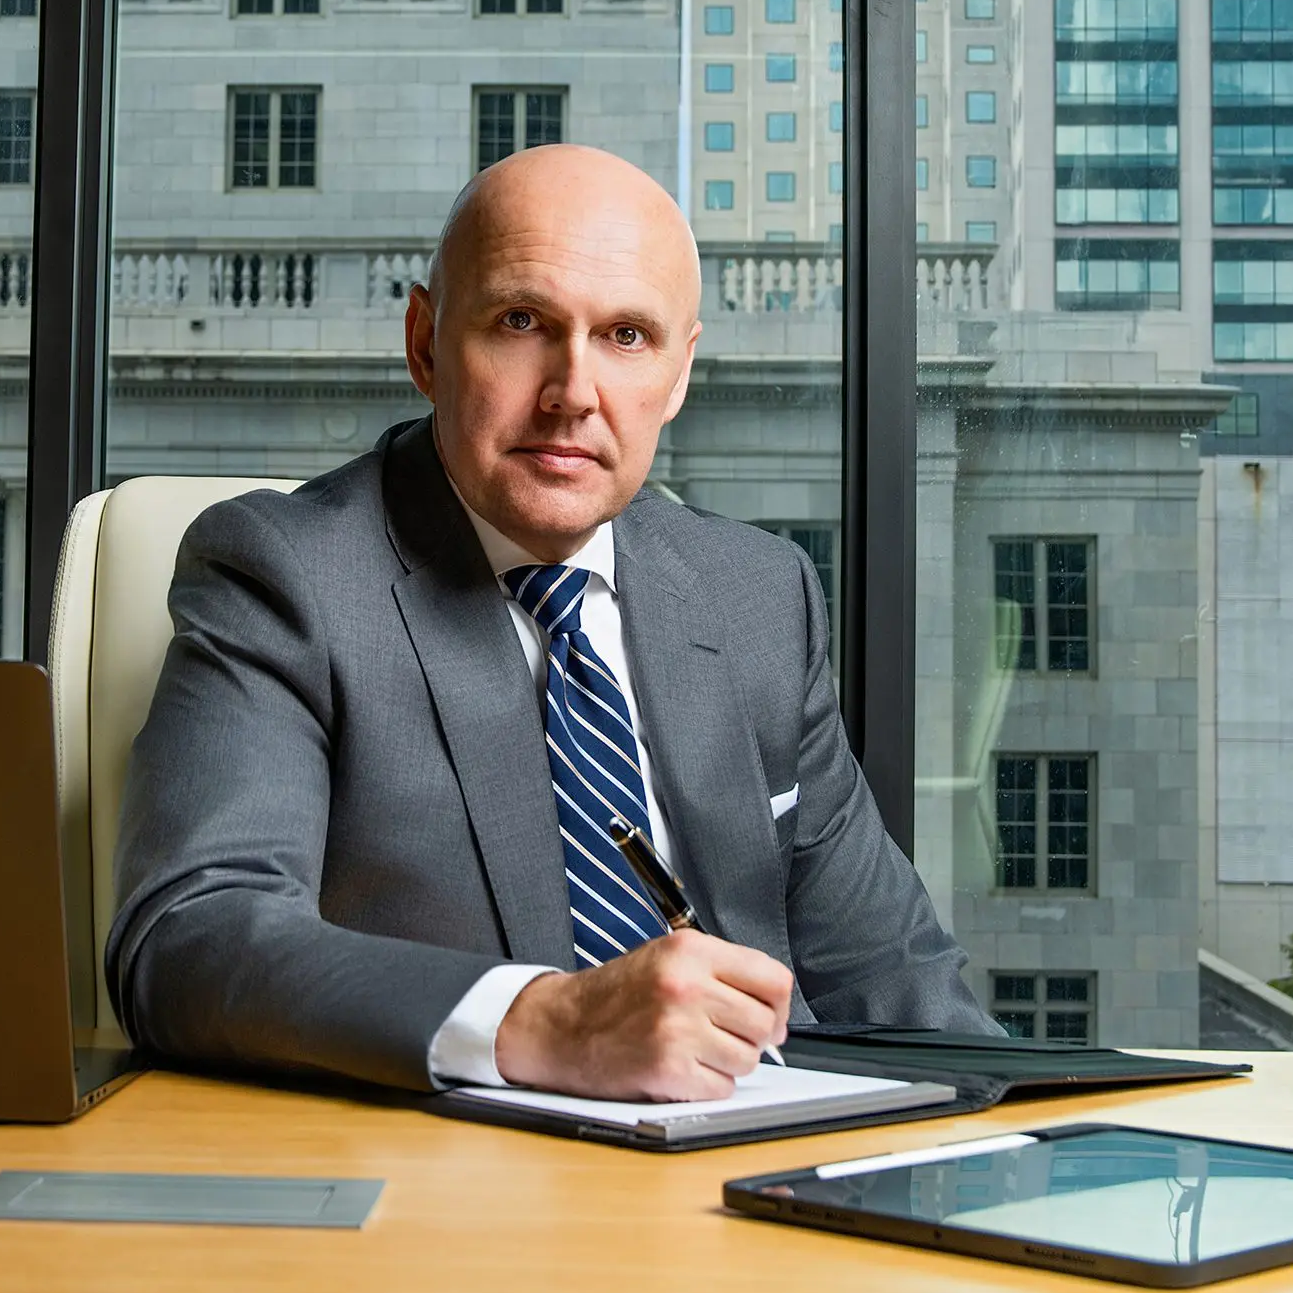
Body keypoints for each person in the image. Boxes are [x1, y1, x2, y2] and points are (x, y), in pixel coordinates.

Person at [107, 144, 994, 1102]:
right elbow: (189, 938)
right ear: (425, 343)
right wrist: (549, 1021)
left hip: (766, 1173)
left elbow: (897, 983)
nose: (574, 391)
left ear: (680, 374)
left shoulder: (761, 592)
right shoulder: (284, 571)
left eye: (626, 337)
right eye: (522, 322)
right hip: (447, 1202)